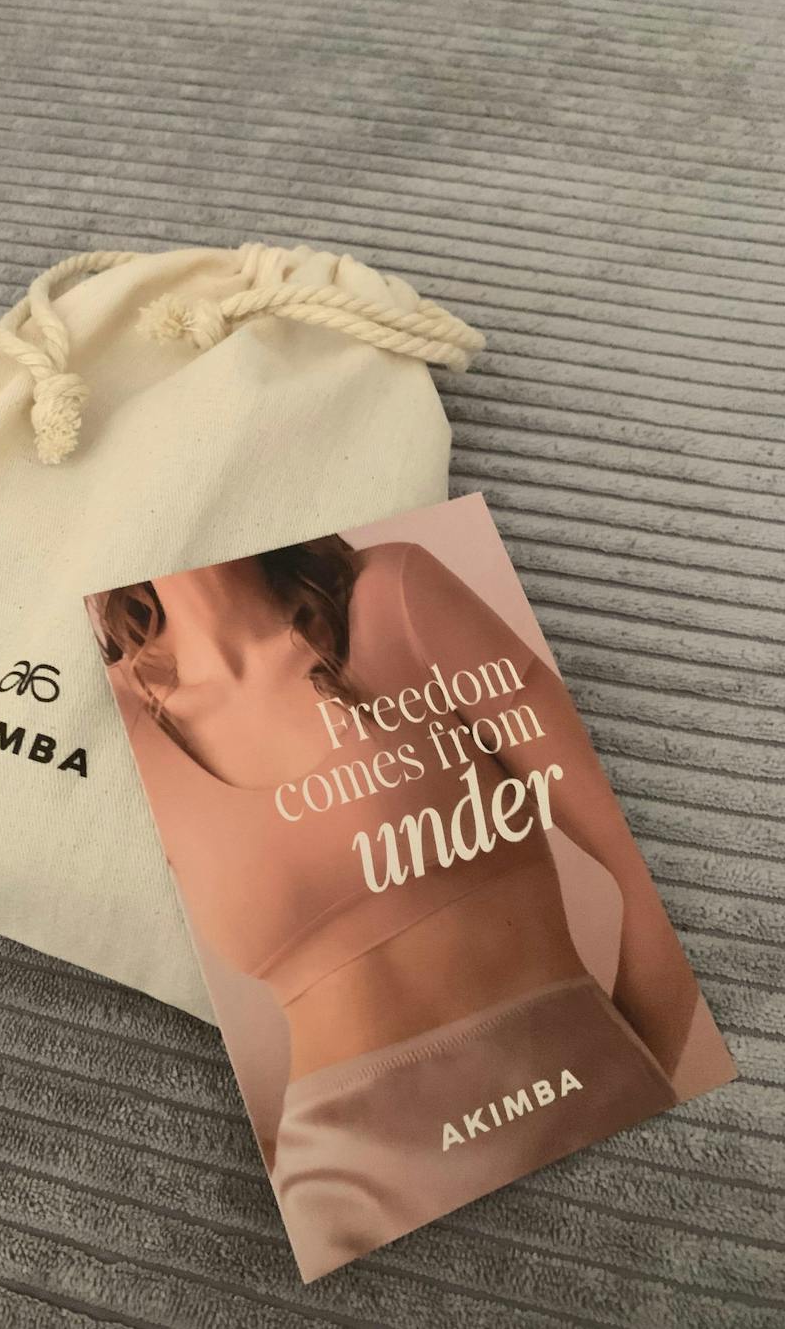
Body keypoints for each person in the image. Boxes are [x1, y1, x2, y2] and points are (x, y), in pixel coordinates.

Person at [92, 536, 702, 1280]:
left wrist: (634, 1087)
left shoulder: (394, 595)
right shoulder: (110, 723)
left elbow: (650, 865)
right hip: (339, 1200)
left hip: (585, 1100)